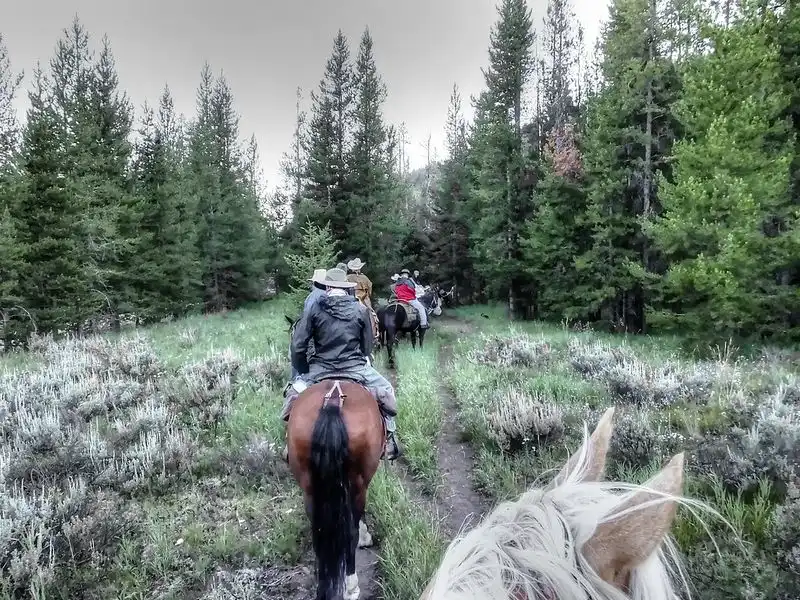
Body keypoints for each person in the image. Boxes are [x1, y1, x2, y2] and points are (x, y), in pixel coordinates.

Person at [281, 267, 402, 461]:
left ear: (327, 287)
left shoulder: (314, 309)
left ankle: (289, 442)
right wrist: (359, 356)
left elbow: (298, 345)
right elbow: (367, 347)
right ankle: (390, 438)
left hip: (320, 368)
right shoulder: (361, 309)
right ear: (345, 287)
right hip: (354, 367)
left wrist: (303, 369)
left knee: (292, 395)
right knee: (386, 388)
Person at [289, 269, 328, 379]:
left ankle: (296, 379)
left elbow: (307, 320)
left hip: (314, 337)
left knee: (296, 354)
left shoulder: (312, 296)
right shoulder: (330, 295)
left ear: (315, 282)